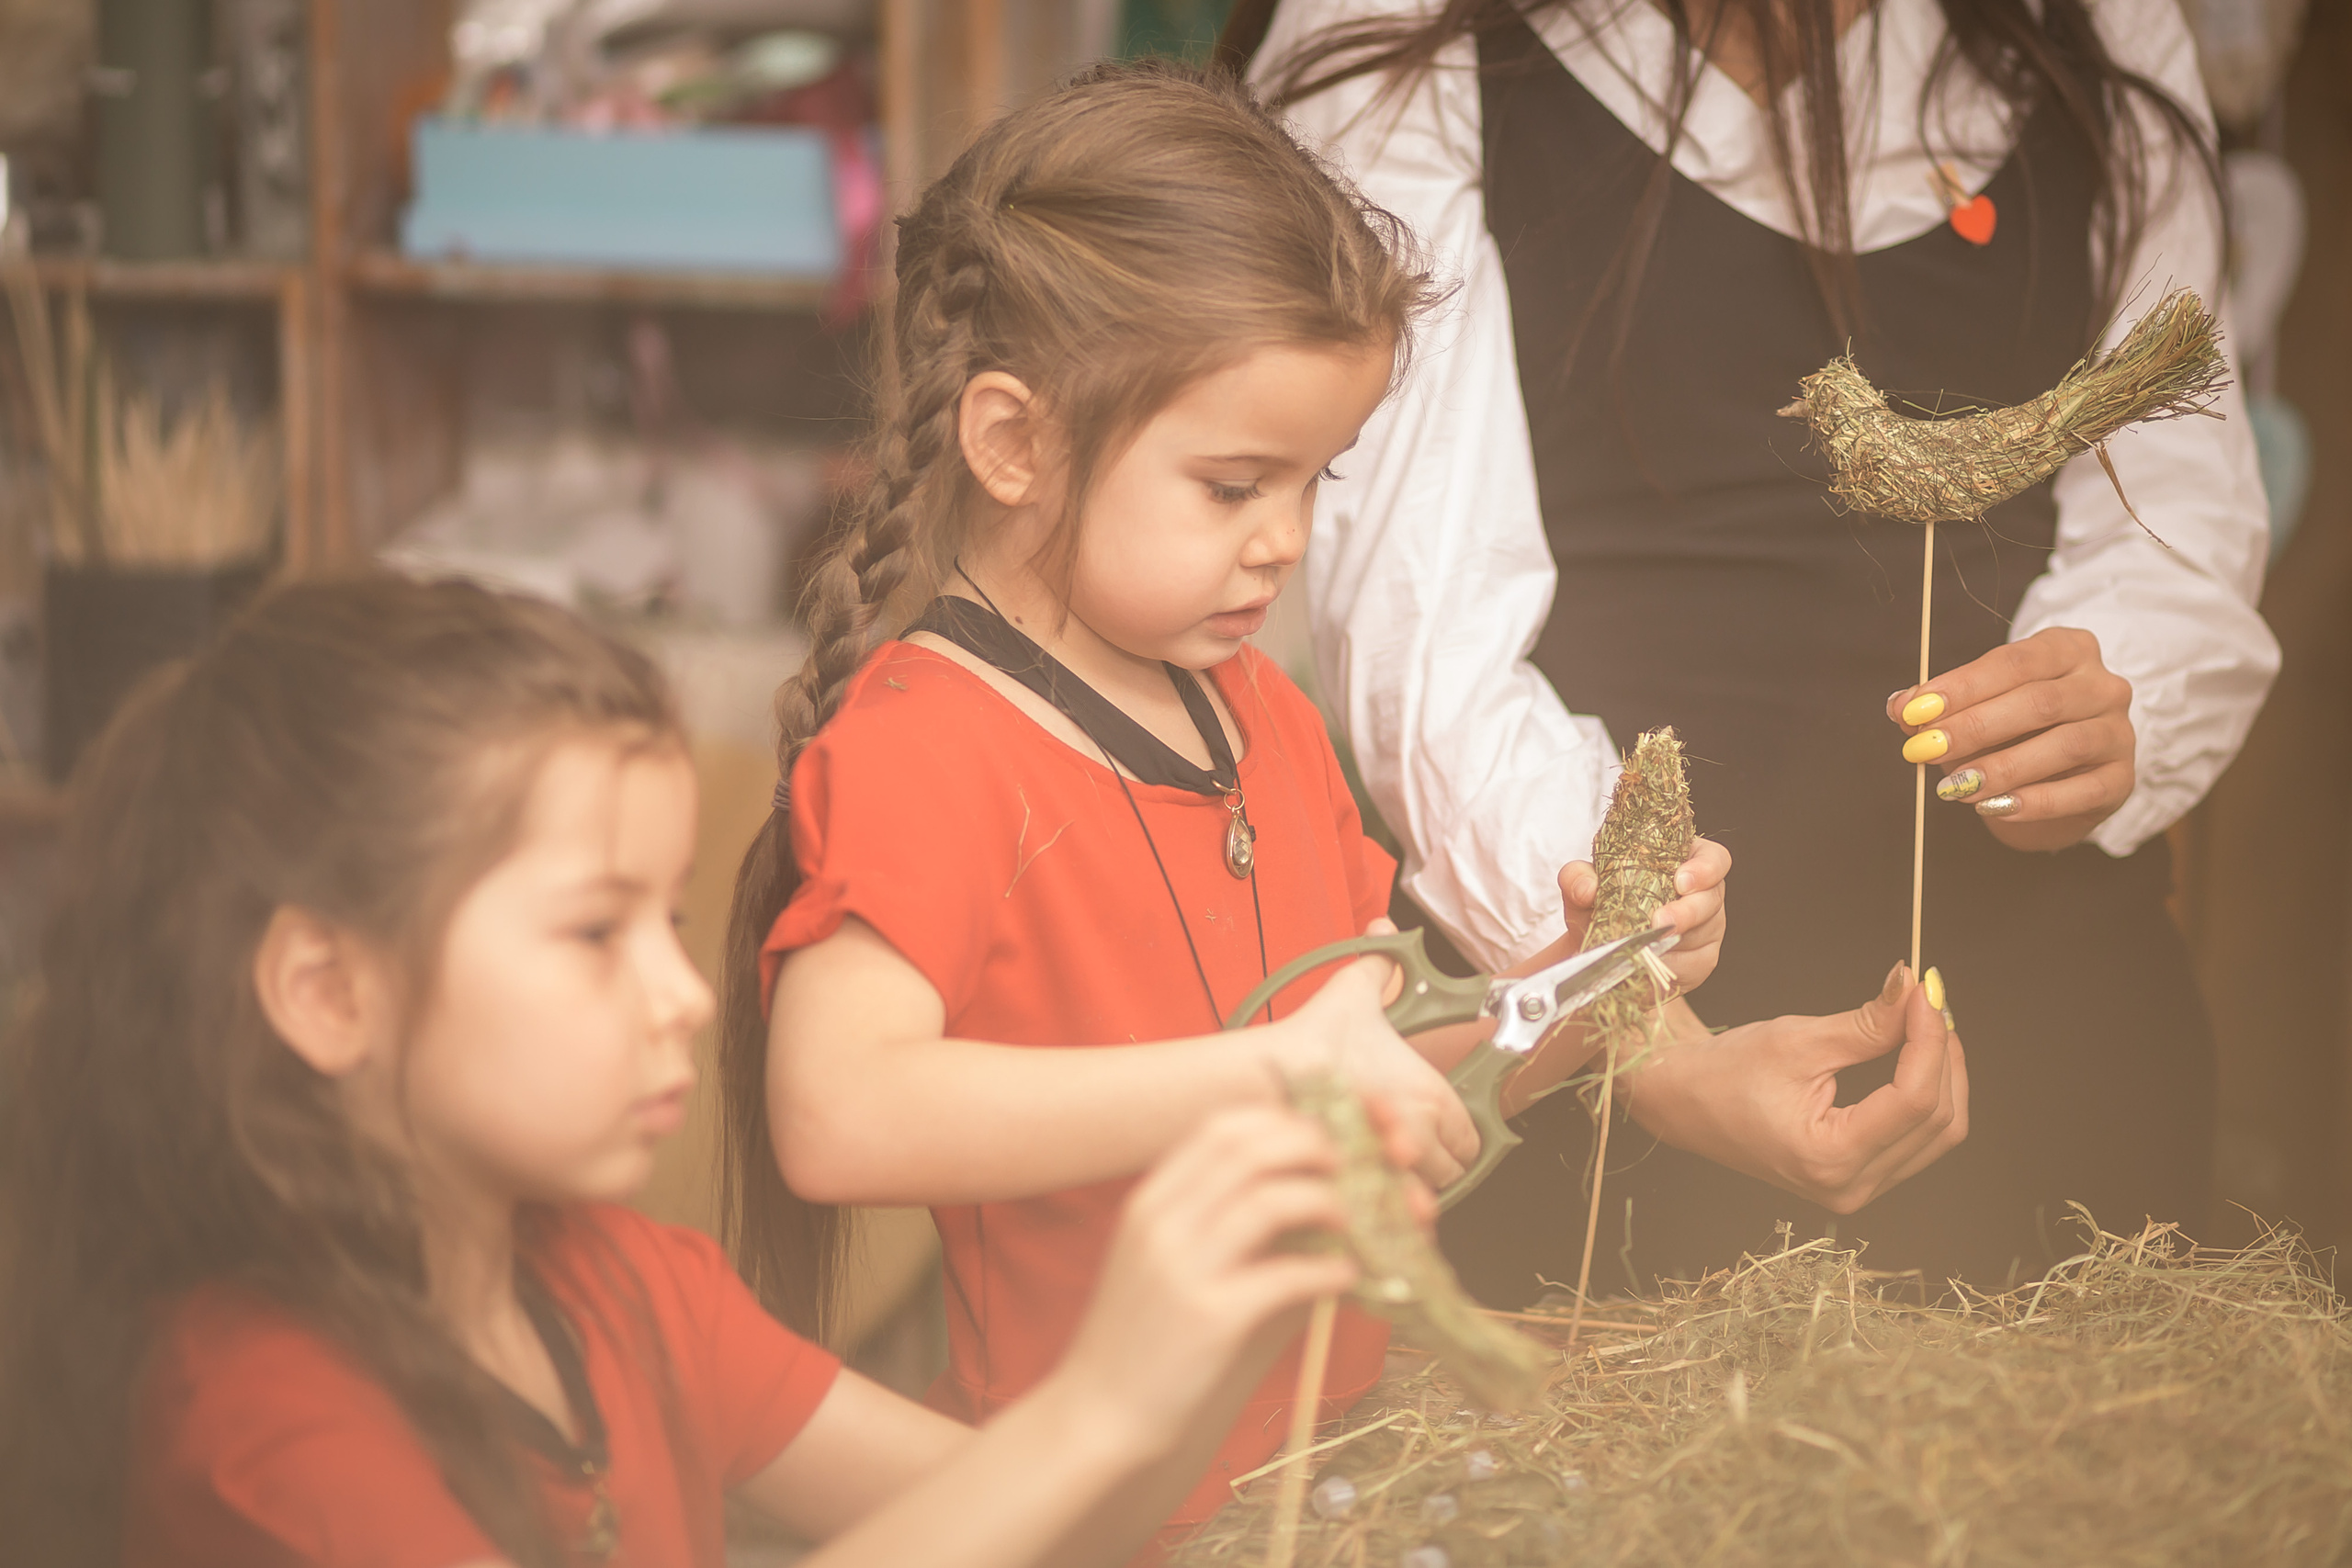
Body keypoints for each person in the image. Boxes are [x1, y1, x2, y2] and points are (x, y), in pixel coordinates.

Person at [722, 61, 1951, 1551]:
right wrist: (1262, 1078)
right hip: (1109, 1519)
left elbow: (1374, 1059)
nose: (1287, 543)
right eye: (1234, 485)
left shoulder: (1261, 716)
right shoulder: (926, 746)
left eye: (1316, 482)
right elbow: (840, 1114)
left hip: (1324, 1478)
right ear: (1014, 443)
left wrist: (1597, 991)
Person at [0, 574, 1436, 1568]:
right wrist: (1104, 1409)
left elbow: (1040, 1528)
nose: (683, 995)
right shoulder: (267, 1424)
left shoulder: (624, 1288)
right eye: (590, 932)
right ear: (328, 992)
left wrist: (1213, 1318)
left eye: (665, 916)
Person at [1240, 0, 2278, 1297]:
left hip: (2041, 1030)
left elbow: (2178, 505)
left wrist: (2117, 691)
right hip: (1616, 1042)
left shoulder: (2099, 32)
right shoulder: (1402, 40)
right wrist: (1644, 1027)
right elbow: (1423, 626)